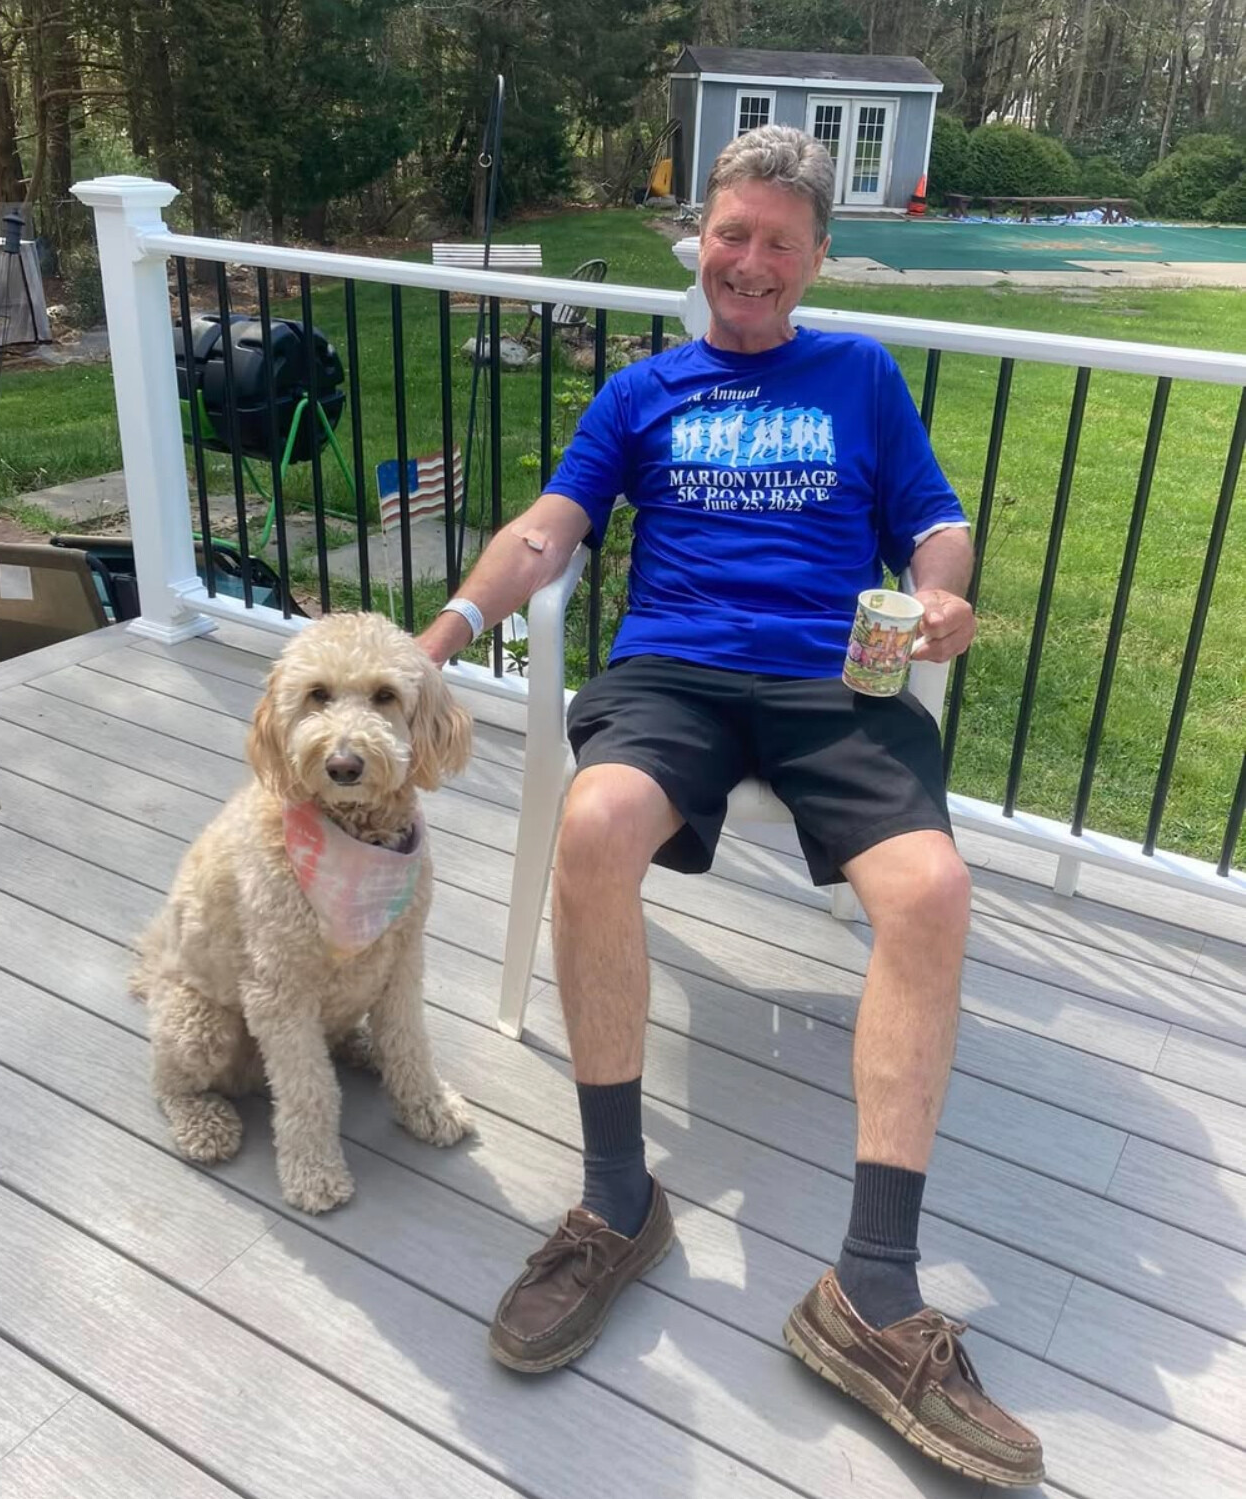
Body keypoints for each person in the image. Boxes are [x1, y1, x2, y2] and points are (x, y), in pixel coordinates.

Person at [419, 124, 1044, 1489]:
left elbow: (935, 523)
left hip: (836, 677)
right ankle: (617, 1200)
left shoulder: (859, 377)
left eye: (779, 242)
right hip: (675, 674)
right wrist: (444, 636)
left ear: (814, 260)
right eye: (730, 234)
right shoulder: (641, 392)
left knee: (932, 890)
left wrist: (942, 593)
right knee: (595, 824)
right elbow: (548, 530)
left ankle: (872, 1285)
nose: (749, 261)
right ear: (699, 241)